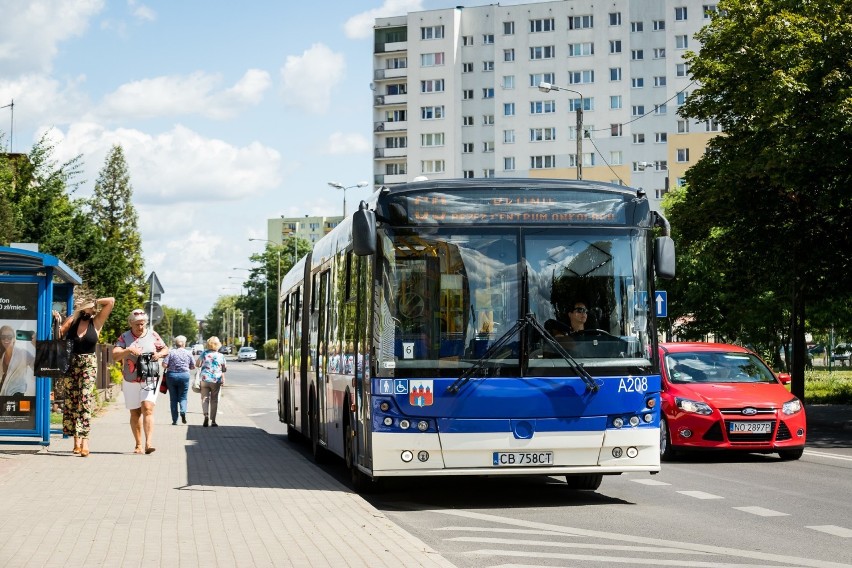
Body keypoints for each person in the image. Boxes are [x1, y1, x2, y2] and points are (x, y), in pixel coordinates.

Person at [54, 296, 114, 457]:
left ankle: (85, 440)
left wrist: (95, 300)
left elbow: (111, 301)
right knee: (72, 401)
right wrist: (57, 320)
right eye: (87, 307)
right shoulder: (73, 320)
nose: (91, 310)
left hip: (88, 364)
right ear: (80, 308)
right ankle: (76, 441)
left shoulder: (96, 321)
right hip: (72, 363)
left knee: (85, 400)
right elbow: (59, 335)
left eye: (92, 308)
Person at [113, 309, 169, 454]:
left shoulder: (152, 335)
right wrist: (128, 350)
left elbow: (165, 349)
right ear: (131, 323)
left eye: (143, 324)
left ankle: (148, 443)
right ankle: (138, 444)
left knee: (148, 408)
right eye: (137, 324)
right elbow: (115, 355)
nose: (140, 327)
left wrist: (159, 354)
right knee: (135, 412)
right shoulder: (124, 337)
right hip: (130, 379)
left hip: (150, 377)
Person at [162, 335, 195, 425]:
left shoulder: (171, 352)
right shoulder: (188, 353)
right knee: (183, 397)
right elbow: (193, 366)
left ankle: (175, 420)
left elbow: (164, 365)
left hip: (171, 376)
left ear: (175, 343)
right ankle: (183, 411)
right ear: (184, 343)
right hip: (184, 376)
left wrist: (170, 366)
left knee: (173, 399)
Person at [196, 336, 226, 427]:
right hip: (215, 379)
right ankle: (213, 421)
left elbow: (197, 364)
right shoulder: (221, 355)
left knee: (204, 398)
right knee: (214, 400)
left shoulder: (204, 353)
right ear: (218, 345)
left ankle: (206, 415)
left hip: (204, 378)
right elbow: (224, 369)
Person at [0, 325, 35, 397]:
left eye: (9, 337)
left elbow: (37, 366)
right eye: (3, 337)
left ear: (14, 339)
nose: (6, 339)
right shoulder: (1, 356)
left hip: (17, 394)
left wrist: (37, 345)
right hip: (4, 394)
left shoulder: (22, 353)